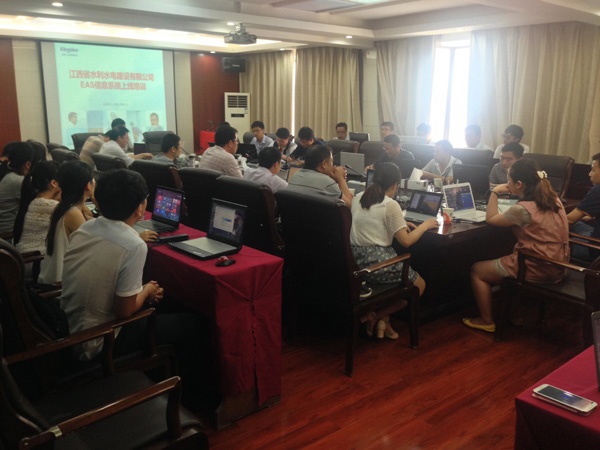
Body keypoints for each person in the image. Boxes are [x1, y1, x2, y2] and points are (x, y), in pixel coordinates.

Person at [60, 169, 208, 408]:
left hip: (71, 327)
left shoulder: (86, 228)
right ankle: (187, 399)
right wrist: (147, 290)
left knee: (165, 305)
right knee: (194, 323)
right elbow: (125, 311)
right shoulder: (133, 244)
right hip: (100, 341)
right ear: (140, 208)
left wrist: (145, 291)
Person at [464, 159, 569, 332]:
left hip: (537, 268)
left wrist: (495, 192)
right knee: (508, 253)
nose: (507, 183)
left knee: (477, 270)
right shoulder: (554, 199)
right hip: (558, 264)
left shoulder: (522, 209)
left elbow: (491, 218)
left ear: (519, 184)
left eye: (509, 180)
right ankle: (514, 313)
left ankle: (486, 320)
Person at [350, 163, 438, 338]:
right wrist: (425, 225)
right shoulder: (390, 205)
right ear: (396, 184)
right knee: (419, 285)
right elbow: (406, 242)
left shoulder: (358, 197)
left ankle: (385, 322)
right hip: (376, 265)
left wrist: (400, 223)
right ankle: (377, 316)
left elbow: (371, 221)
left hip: (356, 263)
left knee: (400, 280)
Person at [38, 161, 95, 285]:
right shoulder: (73, 214)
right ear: (88, 185)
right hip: (59, 287)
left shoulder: (65, 207)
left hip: (55, 279)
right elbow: (93, 247)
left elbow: (92, 220)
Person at [13, 160, 61, 255]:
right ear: (54, 183)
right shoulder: (51, 206)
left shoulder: (35, 200)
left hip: (25, 257)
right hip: (37, 259)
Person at [287, 144, 353, 207]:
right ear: (324, 164)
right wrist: (341, 179)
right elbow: (351, 207)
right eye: (331, 162)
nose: (332, 166)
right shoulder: (327, 183)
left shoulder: (296, 175)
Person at [567, 153, 600, 261]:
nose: (590, 174)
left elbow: (569, 220)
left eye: (593, 170)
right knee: (578, 223)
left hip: (594, 250)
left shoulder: (597, 191)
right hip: (594, 233)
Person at [0, 142, 37, 235]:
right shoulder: (18, 181)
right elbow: (37, 203)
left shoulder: (6, 173)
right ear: (28, 164)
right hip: (9, 233)